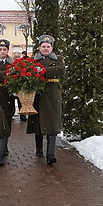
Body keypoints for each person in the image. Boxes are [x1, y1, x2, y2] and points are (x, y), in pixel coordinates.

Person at [26, 35, 65, 165]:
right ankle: (38, 148)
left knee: (52, 124)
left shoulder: (58, 59)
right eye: (43, 46)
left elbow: (60, 70)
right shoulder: (33, 60)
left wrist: (42, 70)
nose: (46, 49)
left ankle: (50, 155)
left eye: (48, 47)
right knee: (38, 123)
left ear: (52, 48)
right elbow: (28, 72)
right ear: (39, 48)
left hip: (53, 94)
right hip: (38, 94)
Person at [12, 52, 27, 121]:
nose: (17, 58)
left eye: (18, 57)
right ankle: (11, 113)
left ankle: (23, 115)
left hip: (20, 86)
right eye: (15, 57)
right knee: (11, 101)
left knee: (21, 101)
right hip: (12, 85)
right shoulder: (11, 65)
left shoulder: (23, 65)